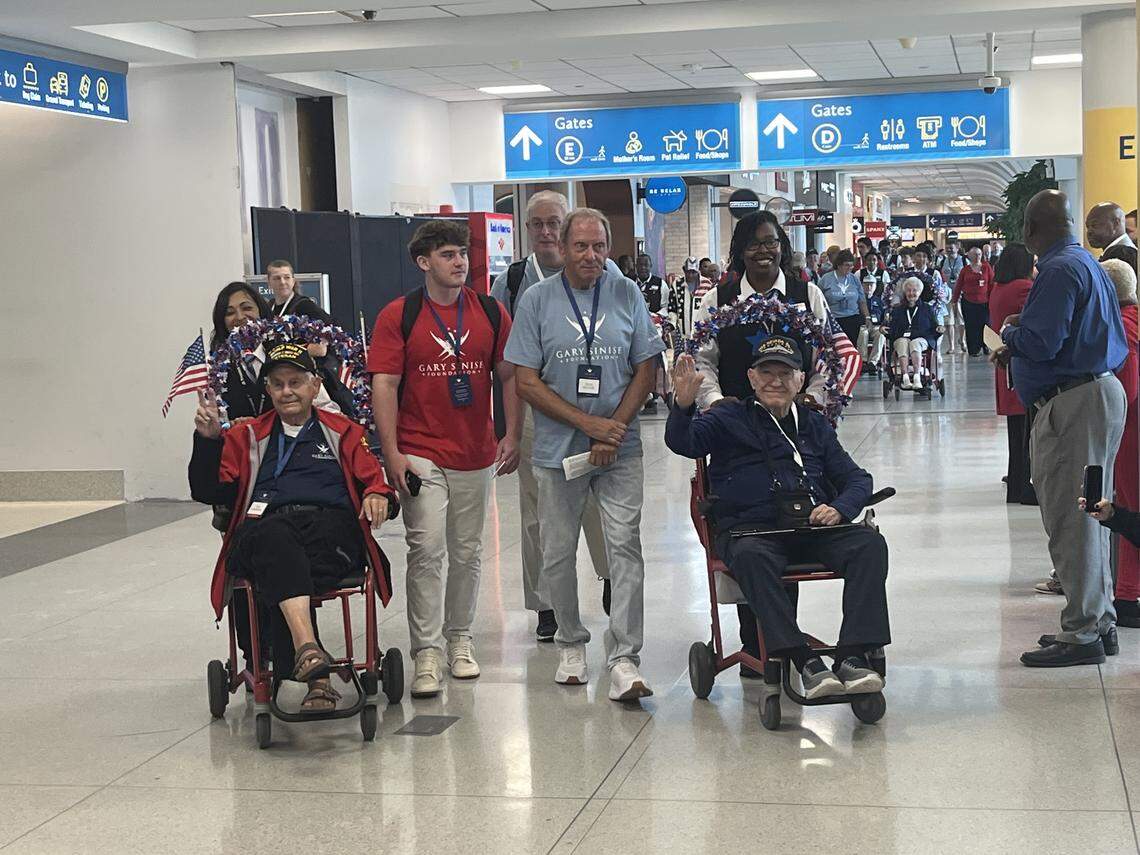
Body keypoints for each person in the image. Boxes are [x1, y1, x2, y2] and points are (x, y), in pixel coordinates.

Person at [504, 207, 664, 701]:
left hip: (620, 448)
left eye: (599, 247)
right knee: (557, 550)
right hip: (558, 451)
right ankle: (571, 642)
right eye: (581, 247)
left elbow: (646, 363)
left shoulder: (626, 291)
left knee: (624, 548)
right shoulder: (536, 300)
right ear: (565, 248)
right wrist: (585, 424)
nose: (591, 256)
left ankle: (625, 658)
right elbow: (525, 380)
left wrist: (612, 427)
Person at [665, 345, 890, 699]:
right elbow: (684, 442)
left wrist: (841, 508)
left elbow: (857, 479)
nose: (775, 381)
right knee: (754, 557)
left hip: (812, 527)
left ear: (800, 380)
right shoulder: (728, 418)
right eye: (766, 373)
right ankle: (804, 661)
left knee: (869, 545)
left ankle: (852, 656)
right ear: (751, 378)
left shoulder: (813, 423)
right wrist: (683, 406)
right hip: (751, 530)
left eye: (785, 374)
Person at [189, 342, 396, 713]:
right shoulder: (246, 436)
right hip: (267, 531)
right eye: (278, 384)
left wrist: (378, 495)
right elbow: (207, 491)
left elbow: (375, 481)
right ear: (267, 390)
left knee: (282, 554)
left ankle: (306, 660)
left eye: (296, 382)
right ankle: (313, 663)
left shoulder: (342, 431)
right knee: (273, 537)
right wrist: (206, 442)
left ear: (315, 386)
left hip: (328, 532)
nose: (287, 391)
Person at [369, 219, 520, 698]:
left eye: (463, 254)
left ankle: (460, 639)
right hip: (419, 450)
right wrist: (390, 452)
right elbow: (385, 384)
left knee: (468, 552)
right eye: (449, 255)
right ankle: (427, 652)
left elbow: (509, 377)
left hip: (474, 451)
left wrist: (511, 433)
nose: (460, 263)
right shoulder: (400, 315)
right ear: (424, 262)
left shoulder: (491, 313)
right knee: (427, 548)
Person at [992, 189, 1128, 667]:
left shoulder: (1055, 269)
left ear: (1030, 230)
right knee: (1093, 514)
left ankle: (1084, 631)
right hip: (1096, 394)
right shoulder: (1086, 263)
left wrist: (1010, 333)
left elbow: (1043, 343)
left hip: (1073, 404)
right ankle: (1098, 619)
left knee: (1072, 518)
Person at [490, 191, 613, 642]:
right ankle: (546, 602)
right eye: (537, 224)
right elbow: (503, 365)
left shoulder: (604, 271)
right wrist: (508, 429)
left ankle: (609, 577)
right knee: (537, 510)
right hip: (536, 407)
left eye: (553, 224)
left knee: (599, 499)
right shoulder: (512, 281)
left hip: (594, 406)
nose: (545, 233)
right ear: (527, 230)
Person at [694, 210, 832, 413]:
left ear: (781, 247)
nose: (763, 250)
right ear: (741, 251)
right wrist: (714, 400)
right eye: (752, 244)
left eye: (770, 242)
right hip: (734, 421)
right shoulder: (716, 299)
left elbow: (828, 356)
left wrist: (814, 395)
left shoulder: (809, 295)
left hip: (797, 420)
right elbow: (702, 359)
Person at [208, 281, 351, 420]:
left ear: (261, 310)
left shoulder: (289, 351)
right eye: (229, 312)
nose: (239, 317)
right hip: (240, 443)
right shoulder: (218, 369)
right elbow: (217, 423)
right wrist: (227, 426)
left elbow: (325, 409)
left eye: (247, 308)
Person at [1102, 258, 1140, 627]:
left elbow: (1125, 391)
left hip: (1131, 435)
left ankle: (1128, 593)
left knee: (1129, 510)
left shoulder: (1124, 328)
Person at [989, 244, 1036, 504]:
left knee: (1015, 434)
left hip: (1004, 365)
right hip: (1020, 366)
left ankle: (1015, 483)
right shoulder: (1024, 288)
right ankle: (1024, 486)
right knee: (1027, 434)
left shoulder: (998, 288)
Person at [889, 277, 941, 391]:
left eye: (914, 290)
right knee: (902, 342)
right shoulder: (898, 310)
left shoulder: (927, 308)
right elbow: (891, 327)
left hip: (922, 338)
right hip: (902, 338)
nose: (911, 293)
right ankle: (905, 376)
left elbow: (935, 326)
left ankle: (917, 376)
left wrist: (939, 329)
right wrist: (884, 329)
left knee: (915, 343)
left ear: (920, 292)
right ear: (904, 292)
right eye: (908, 290)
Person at [818, 249, 868, 347]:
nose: (850, 268)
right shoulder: (826, 279)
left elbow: (862, 301)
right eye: (846, 265)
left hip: (853, 318)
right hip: (834, 319)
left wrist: (867, 317)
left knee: (851, 347)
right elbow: (819, 299)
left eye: (851, 265)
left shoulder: (854, 279)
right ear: (839, 265)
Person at [952, 247, 996, 357]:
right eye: (975, 255)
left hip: (984, 302)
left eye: (979, 254)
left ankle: (986, 346)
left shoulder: (986, 268)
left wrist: (993, 300)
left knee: (986, 324)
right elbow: (959, 285)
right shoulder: (965, 270)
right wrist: (954, 300)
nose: (977, 257)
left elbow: (992, 284)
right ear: (970, 256)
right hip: (968, 302)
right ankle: (973, 349)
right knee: (971, 326)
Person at [266, 259, 333, 323]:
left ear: (293, 281)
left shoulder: (305, 305)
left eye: (287, 277)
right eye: (277, 278)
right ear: (269, 283)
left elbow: (333, 327)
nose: (282, 282)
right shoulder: (268, 307)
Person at [938, 241, 966, 354]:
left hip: (960, 294)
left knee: (961, 320)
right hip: (947, 296)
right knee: (949, 322)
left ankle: (962, 340)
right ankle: (951, 346)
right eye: (947, 248)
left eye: (951, 248)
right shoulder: (942, 261)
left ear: (957, 248)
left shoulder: (963, 260)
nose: (949, 250)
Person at [859, 272, 887, 373]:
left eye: (872, 284)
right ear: (862, 285)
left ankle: (873, 362)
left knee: (881, 334)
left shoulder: (879, 301)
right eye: (867, 284)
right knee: (863, 333)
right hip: (863, 326)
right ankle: (863, 361)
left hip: (876, 327)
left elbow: (884, 317)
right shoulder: (859, 300)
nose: (869, 287)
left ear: (875, 286)